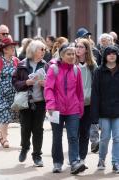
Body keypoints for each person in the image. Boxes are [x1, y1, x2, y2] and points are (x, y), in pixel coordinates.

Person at [44, 43, 85, 174]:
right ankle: (57, 162)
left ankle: (74, 162)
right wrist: (50, 104)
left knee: (73, 137)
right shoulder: (53, 69)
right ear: (62, 55)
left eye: (73, 54)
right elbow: (48, 88)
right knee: (57, 137)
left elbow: (79, 91)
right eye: (69, 54)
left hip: (73, 109)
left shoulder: (76, 69)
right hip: (55, 109)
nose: (72, 56)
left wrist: (80, 107)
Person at [12, 40, 46, 167]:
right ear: (33, 50)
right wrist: (26, 83)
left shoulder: (45, 65)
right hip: (25, 102)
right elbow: (14, 83)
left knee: (38, 129)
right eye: (41, 49)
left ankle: (37, 155)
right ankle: (24, 147)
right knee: (25, 127)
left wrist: (46, 84)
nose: (43, 52)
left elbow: (53, 83)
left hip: (40, 102)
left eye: (44, 50)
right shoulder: (22, 65)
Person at [91, 45, 119, 173]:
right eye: (109, 53)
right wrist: (94, 115)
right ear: (105, 56)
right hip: (104, 111)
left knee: (118, 138)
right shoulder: (99, 71)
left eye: (114, 53)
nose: (112, 55)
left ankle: (116, 162)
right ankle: (101, 159)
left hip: (118, 111)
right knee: (105, 137)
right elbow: (95, 93)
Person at [75, 38, 98, 167]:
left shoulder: (93, 66)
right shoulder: (72, 64)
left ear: (86, 50)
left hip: (88, 105)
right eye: (77, 46)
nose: (78, 49)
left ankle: (82, 158)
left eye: (81, 47)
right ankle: (75, 157)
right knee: (74, 133)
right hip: (74, 104)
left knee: (84, 132)